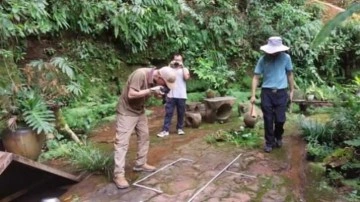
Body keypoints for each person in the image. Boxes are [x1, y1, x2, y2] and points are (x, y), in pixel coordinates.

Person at [113, 66, 177, 189]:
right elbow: (131, 94)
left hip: (139, 111)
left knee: (144, 137)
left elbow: (148, 93)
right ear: (159, 77)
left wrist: (158, 94)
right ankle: (118, 175)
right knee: (122, 142)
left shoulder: (154, 80)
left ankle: (140, 164)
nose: (166, 86)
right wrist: (151, 91)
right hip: (127, 111)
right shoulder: (140, 74)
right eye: (165, 84)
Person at [250, 36, 294, 153]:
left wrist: (292, 90)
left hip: (281, 92)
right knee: (268, 119)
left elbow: (290, 74)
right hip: (267, 92)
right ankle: (269, 142)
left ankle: (278, 136)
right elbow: (256, 77)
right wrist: (253, 94)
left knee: (280, 119)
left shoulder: (286, 58)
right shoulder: (263, 60)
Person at [157, 54, 190, 137]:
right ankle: (165, 130)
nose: (177, 62)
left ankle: (180, 128)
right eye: (176, 60)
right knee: (168, 113)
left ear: (182, 61)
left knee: (181, 113)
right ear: (173, 60)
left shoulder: (184, 69)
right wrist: (169, 65)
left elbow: (186, 78)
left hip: (181, 94)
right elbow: (164, 76)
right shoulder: (170, 69)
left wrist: (182, 67)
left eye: (179, 60)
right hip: (171, 94)